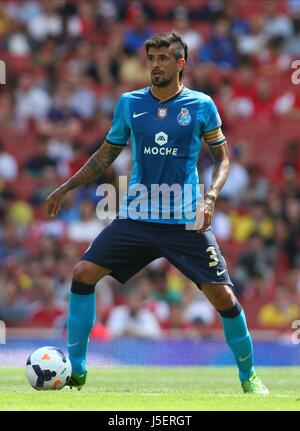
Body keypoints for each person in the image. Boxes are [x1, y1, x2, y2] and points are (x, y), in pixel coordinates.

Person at [46, 31, 269, 394]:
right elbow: (106, 154)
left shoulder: (201, 105)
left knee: (224, 298)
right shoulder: (129, 104)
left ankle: (249, 376)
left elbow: (222, 158)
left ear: (180, 64)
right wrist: (66, 187)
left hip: (185, 222)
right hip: (137, 219)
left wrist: (210, 197)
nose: (155, 66)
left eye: (163, 59)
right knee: (83, 274)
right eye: (151, 59)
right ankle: (79, 369)